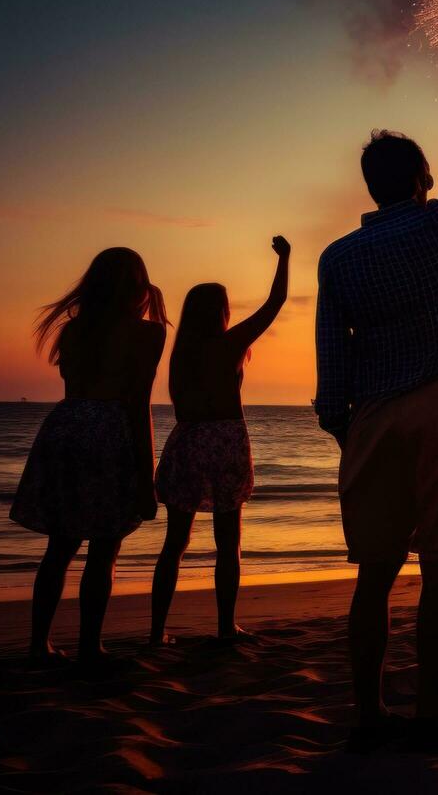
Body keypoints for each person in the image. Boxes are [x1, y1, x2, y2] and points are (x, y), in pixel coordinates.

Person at [314, 74, 438, 750]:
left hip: (371, 413)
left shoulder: (338, 257)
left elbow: (329, 365)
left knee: (373, 574)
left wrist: (348, 428)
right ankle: (426, 708)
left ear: (371, 187)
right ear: (425, 176)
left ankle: (369, 713)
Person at [12, 248, 167, 667]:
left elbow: (73, 387)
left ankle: (37, 644)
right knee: (104, 548)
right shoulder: (148, 333)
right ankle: (88, 645)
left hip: (65, 426)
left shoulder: (73, 330)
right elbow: (137, 403)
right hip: (109, 430)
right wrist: (146, 476)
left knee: (59, 547)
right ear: (138, 284)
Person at [149, 236, 291, 647]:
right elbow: (275, 302)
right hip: (225, 440)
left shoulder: (181, 354)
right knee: (228, 542)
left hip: (188, 441)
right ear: (221, 314)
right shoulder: (230, 345)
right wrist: (284, 258)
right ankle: (226, 626)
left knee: (175, 542)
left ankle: (157, 632)